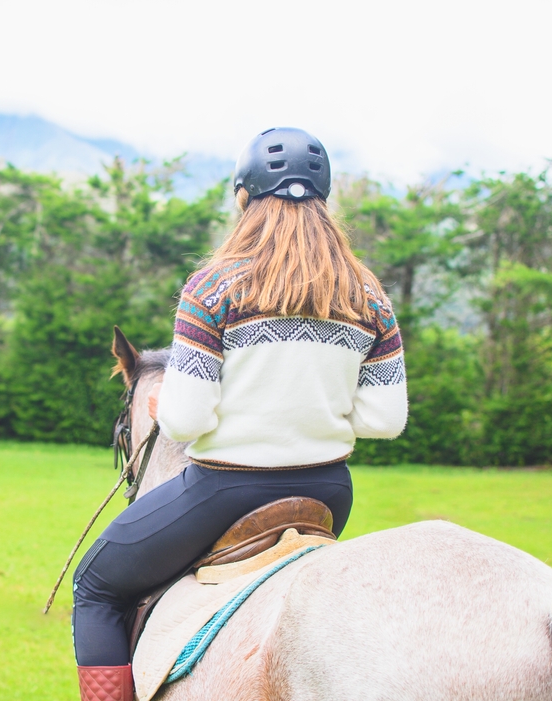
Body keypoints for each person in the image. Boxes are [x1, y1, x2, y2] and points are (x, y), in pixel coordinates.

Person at [71, 127, 408, 701]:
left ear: (244, 200)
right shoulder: (368, 295)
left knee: (96, 587)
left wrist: (173, 403)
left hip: (223, 492)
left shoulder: (214, 287)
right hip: (329, 493)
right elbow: (384, 419)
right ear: (324, 204)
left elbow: (183, 422)